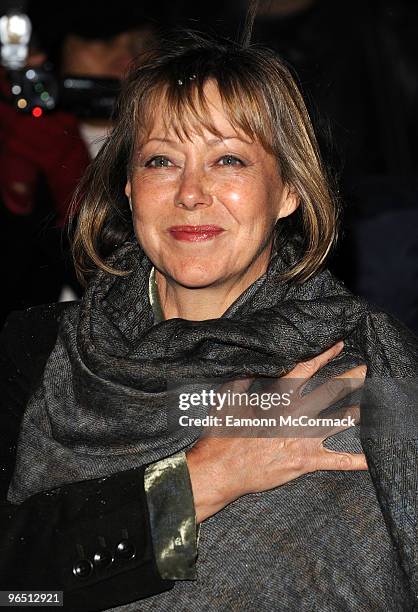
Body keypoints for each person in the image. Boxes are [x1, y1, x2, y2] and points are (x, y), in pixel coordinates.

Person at [1, 30, 417, 611]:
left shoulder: (367, 375)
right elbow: (17, 589)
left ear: (289, 190)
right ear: (128, 187)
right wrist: (201, 480)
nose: (191, 193)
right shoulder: (40, 349)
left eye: (228, 159)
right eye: (161, 161)